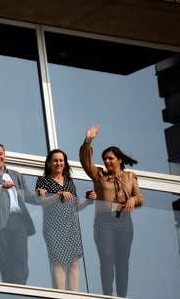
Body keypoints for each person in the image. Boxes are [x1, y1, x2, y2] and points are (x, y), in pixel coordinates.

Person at [79, 125, 144, 297]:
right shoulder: (99, 175)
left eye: (110, 158)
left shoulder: (130, 177)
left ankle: (122, 296)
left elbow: (140, 198)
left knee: (122, 262)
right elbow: (86, 163)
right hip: (104, 220)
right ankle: (107, 294)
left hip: (123, 220)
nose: (106, 162)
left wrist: (132, 199)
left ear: (119, 160)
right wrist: (88, 141)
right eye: (104, 159)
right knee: (107, 259)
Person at [0, 142, 45, 285]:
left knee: (21, 260)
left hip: (19, 221)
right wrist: (2, 187)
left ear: (4, 155)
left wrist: (39, 195)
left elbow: (27, 197)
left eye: (0, 153)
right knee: (5, 261)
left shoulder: (16, 175)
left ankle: (20, 289)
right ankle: (14, 290)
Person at [35, 149, 86, 291]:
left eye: (61, 160)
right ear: (49, 163)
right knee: (57, 261)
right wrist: (58, 194)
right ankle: (61, 294)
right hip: (53, 226)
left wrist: (88, 202)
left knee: (74, 262)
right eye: (55, 160)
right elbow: (42, 202)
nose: (59, 163)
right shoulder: (42, 181)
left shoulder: (70, 182)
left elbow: (75, 206)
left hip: (71, 225)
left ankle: (73, 295)